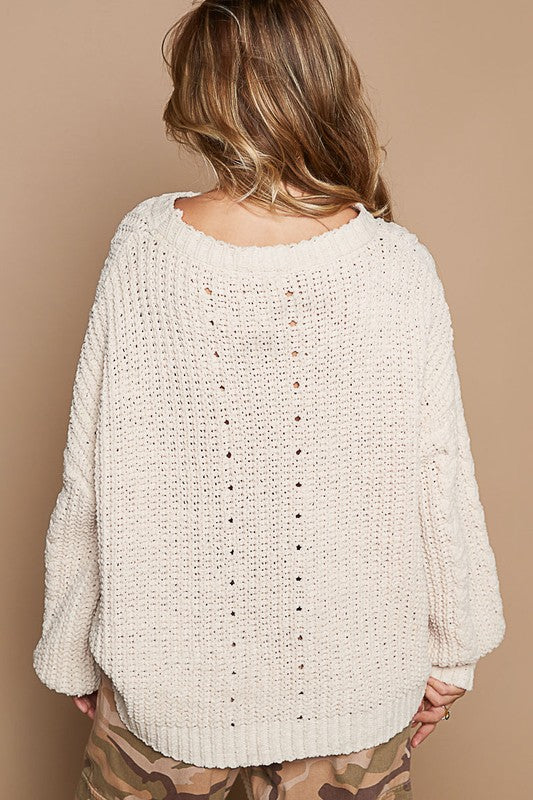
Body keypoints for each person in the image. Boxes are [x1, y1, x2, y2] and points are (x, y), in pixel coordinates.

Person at [32, 1, 506, 797]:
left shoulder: (144, 250)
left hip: (164, 705)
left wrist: (70, 642)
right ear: (322, 83)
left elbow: (92, 470)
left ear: (200, 96)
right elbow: (439, 479)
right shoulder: (396, 264)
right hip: (355, 701)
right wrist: (453, 651)